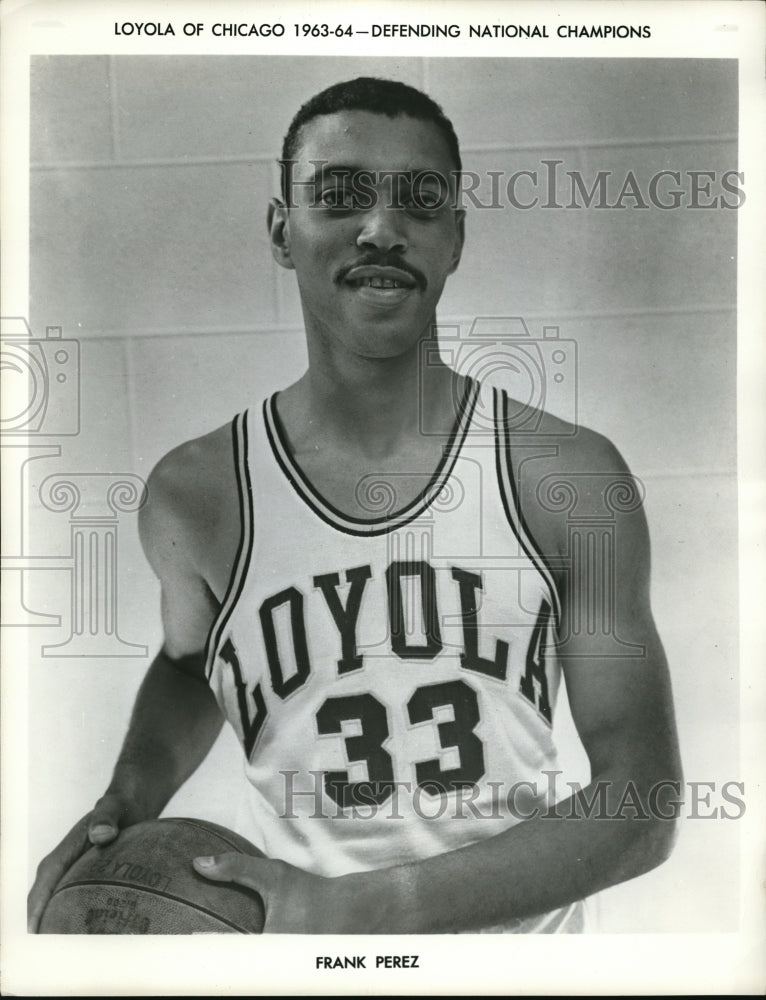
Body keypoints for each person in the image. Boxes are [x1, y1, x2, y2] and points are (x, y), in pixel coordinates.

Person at [28, 77, 682, 934]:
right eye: (338, 198)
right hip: (300, 959)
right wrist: (130, 792)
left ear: (455, 239)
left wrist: (360, 910)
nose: (381, 230)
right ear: (279, 233)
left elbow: (643, 802)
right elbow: (193, 663)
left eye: (420, 201)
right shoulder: (197, 494)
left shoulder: (565, 476)